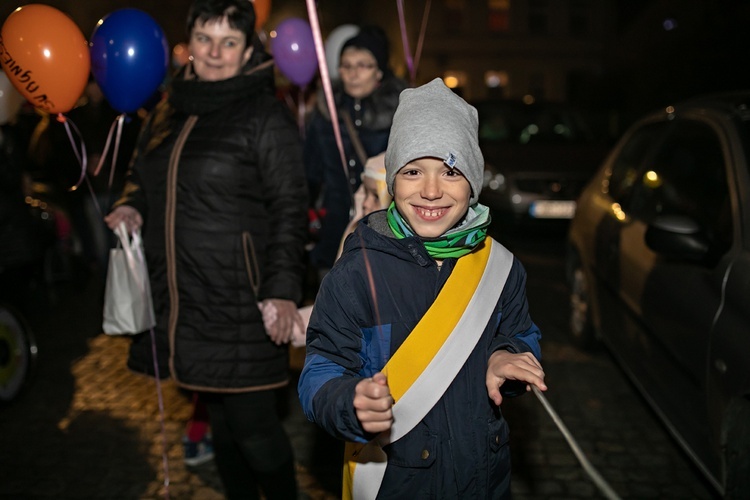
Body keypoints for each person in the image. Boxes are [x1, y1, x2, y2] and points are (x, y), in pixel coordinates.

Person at [298, 78, 547, 498]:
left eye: (451, 171)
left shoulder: (502, 269)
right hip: (398, 481)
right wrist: (350, 401)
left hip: (483, 481)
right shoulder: (358, 272)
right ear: (392, 182)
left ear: (474, 183)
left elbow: (521, 333)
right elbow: (320, 370)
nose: (431, 190)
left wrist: (508, 357)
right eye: (413, 171)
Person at [104, 0, 308, 498]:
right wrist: (131, 206)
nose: (214, 52)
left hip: (243, 301)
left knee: (256, 431)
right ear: (189, 44)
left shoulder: (264, 116)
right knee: (221, 424)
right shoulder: (167, 110)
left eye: (229, 41)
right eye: (204, 38)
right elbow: (142, 177)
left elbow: (290, 208)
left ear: (246, 50)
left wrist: (281, 290)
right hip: (185, 299)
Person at [304, 25, 407, 283]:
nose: (353, 73)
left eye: (363, 65)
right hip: (334, 232)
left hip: (385, 233)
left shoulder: (399, 114)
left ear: (379, 71)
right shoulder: (326, 114)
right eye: (346, 65)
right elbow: (308, 174)